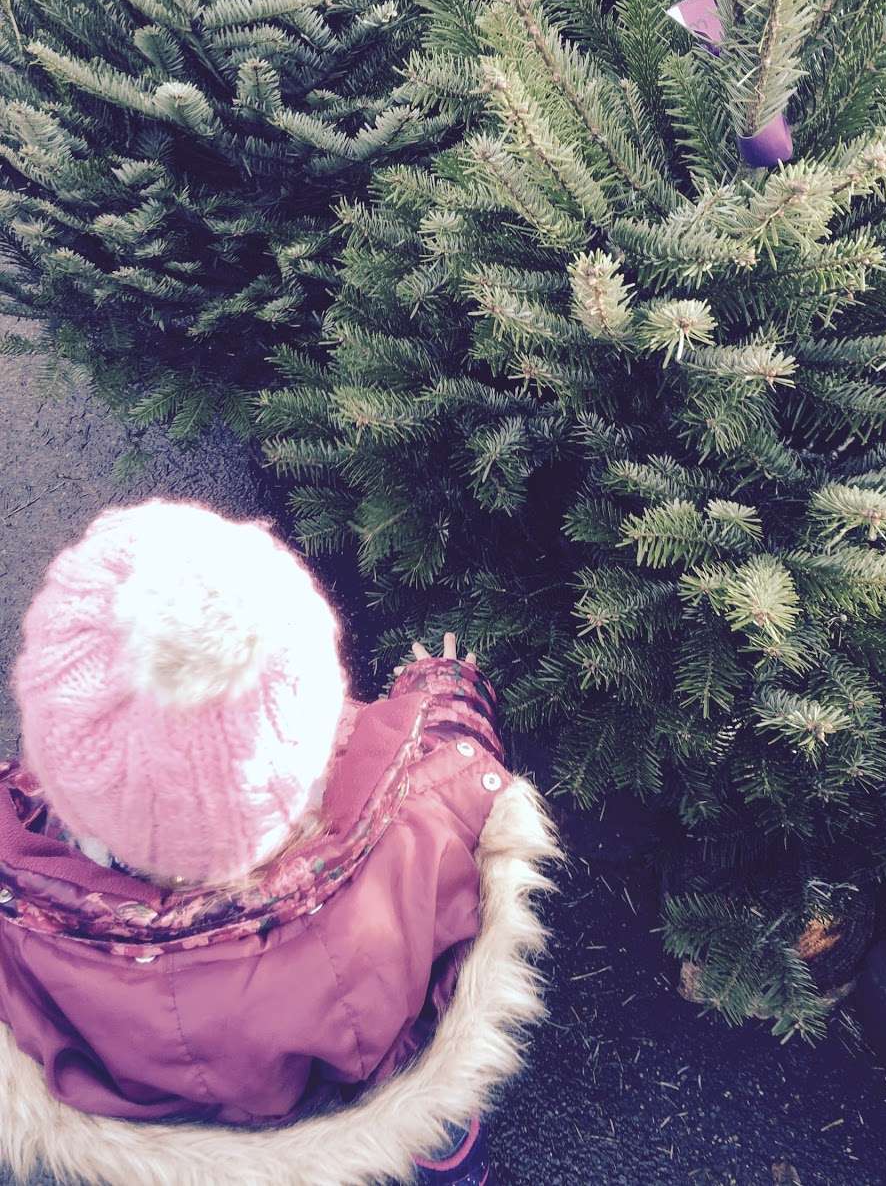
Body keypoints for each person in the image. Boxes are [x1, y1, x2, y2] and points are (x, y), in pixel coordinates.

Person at [0, 497, 561, 1186]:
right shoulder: (406, 831)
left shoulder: (32, 922)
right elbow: (458, 781)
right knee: (421, 1086)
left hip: (217, 1136)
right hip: (369, 1070)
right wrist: (447, 694)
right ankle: (446, 1157)